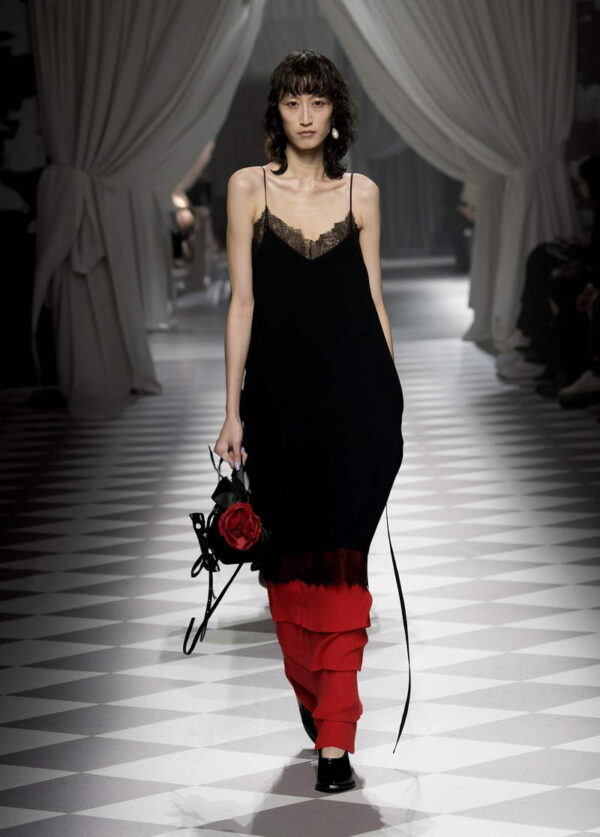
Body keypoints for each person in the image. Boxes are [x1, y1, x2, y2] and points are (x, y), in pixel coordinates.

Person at [213, 49, 405, 793]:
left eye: (317, 101)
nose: (304, 115)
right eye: (292, 101)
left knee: (343, 565)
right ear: (277, 111)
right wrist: (231, 411)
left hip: (359, 405)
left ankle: (337, 736)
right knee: (289, 566)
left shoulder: (363, 194)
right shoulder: (247, 189)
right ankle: (312, 688)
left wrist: (392, 399)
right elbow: (242, 303)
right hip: (279, 406)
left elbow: (374, 297)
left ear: (335, 113)